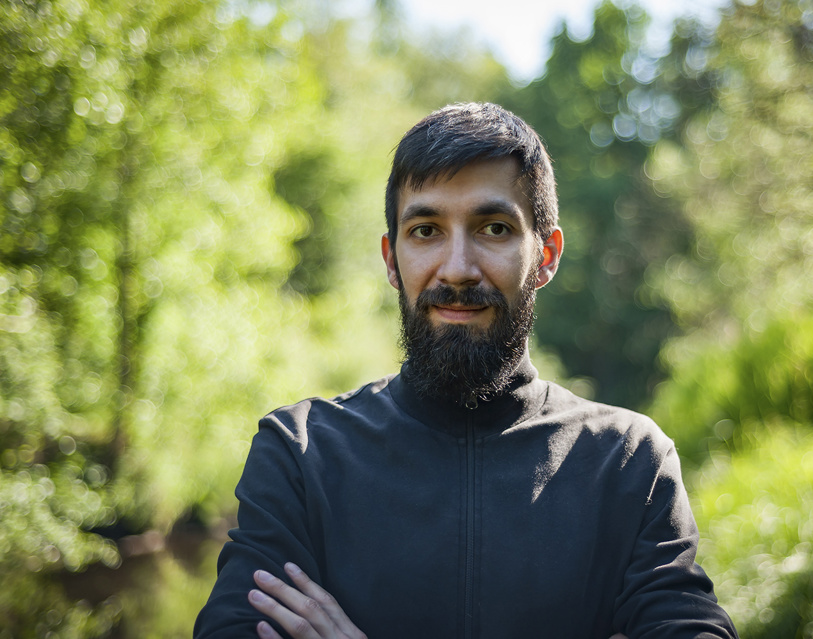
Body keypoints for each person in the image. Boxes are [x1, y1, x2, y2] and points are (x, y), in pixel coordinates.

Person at [194, 103, 738, 639]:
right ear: (391, 259)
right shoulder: (299, 454)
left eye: (494, 228)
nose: (456, 269)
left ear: (545, 255)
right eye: (426, 230)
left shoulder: (629, 462)